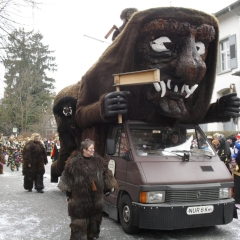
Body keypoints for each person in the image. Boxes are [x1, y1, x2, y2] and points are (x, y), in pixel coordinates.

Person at [61, 138, 118, 240]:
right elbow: (67, 179)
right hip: (79, 199)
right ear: (84, 150)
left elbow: (106, 174)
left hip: (95, 198)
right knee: (79, 222)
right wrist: (69, 195)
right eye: (91, 148)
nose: (93, 150)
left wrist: (107, 189)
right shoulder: (74, 163)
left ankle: (92, 236)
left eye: (93, 148)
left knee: (94, 220)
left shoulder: (99, 161)